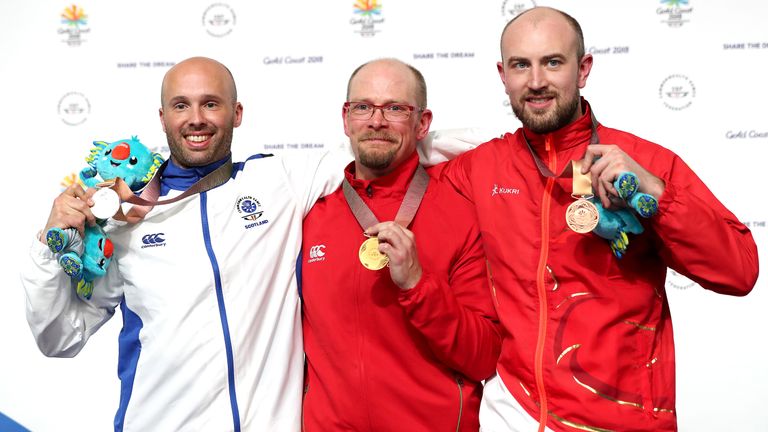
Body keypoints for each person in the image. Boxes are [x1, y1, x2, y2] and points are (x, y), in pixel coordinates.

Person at [438, 7, 759, 432]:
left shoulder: (645, 162)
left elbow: (738, 271)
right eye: (521, 65)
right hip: (511, 413)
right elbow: (392, 181)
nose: (536, 82)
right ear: (502, 74)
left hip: (618, 418)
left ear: (583, 68)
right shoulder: (478, 169)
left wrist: (656, 194)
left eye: (553, 62)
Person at [20, 57, 349, 431]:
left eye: (210, 103)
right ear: (163, 118)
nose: (196, 118)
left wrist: (422, 135)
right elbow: (59, 338)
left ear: (237, 112)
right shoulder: (124, 221)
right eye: (181, 105)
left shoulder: (278, 182)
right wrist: (49, 246)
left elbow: (380, 152)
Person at [300, 58, 502, 431]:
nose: (376, 121)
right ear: (346, 119)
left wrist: (418, 285)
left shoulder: (460, 210)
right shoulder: (306, 215)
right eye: (363, 107)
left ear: (422, 123)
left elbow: (486, 356)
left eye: (395, 108)